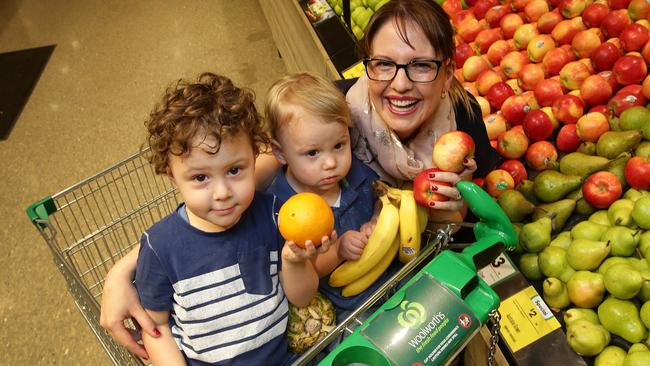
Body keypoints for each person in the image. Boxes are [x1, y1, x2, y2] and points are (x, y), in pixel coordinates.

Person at [102, 0, 501, 356]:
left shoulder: (463, 121)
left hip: (398, 281)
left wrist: (451, 206)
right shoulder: (340, 109)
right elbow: (233, 191)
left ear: (448, 72)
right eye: (384, 64)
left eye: (421, 65)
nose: (399, 83)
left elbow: (459, 229)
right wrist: (123, 270)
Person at [103, 72, 333, 365]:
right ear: (171, 176)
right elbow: (157, 326)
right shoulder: (160, 247)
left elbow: (301, 299)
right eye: (200, 177)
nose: (223, 192)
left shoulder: (275, 215)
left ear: (254, 156)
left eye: (235, 170)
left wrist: (294, 261)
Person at [264, 72, 399, 323]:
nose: (330, 163)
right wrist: (338, 250)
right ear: (281, 153)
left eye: (339, 145)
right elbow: (300, 290)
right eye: (312, 152)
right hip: (354, 308)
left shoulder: (356, 173)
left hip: (399, 276)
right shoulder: (280, 209)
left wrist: (378, 218)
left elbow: (385, 197)